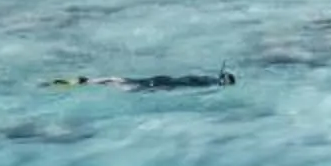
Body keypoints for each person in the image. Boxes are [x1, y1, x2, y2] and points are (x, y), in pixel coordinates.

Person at [43, 70, 236, 90]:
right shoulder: (209, 83)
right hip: (160, 84)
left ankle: (82, 82)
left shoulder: (207, 80)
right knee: (113, 82)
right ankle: (81, 83)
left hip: (159, 81)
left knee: (112, 79)